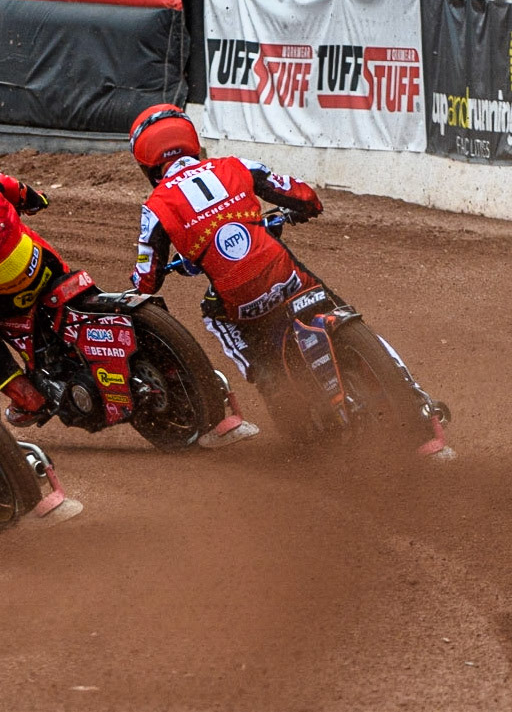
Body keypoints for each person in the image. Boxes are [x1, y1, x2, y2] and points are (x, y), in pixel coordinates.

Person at [0, 126, 257, 447]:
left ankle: (28, 398)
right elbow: (31, 197)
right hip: (49, 268)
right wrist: (33, 203)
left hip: (6, 294)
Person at [126, 104, 442, 453]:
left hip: (241, 303)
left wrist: (178, 261)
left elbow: (146, 280)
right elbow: (300, 193)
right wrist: (307, 208)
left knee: (214, 315)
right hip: (287, 277)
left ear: (147, 163)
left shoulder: (156, 207)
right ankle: (417, 400)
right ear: (192, 142)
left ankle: (265, 377)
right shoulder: (235, 165)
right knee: (338, 306)